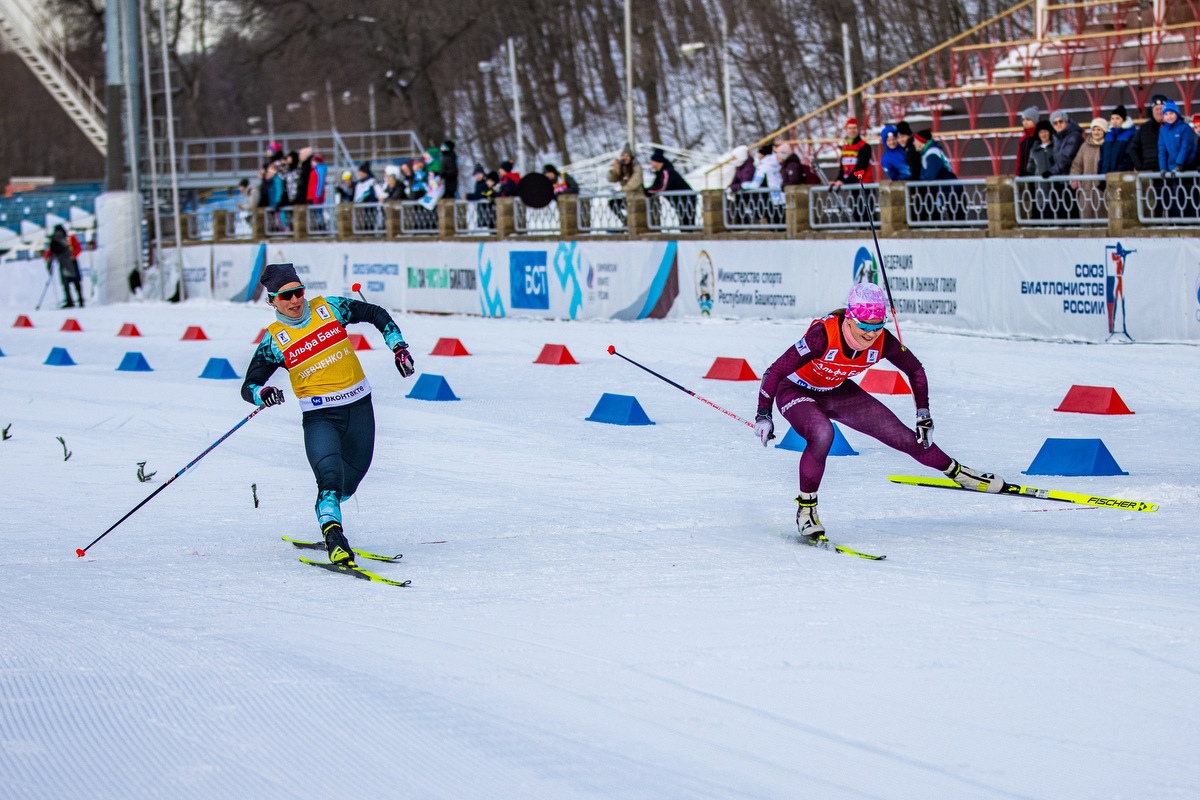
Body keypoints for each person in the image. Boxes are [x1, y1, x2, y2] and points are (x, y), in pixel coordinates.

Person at [753, 282, 1003, 543]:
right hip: (794, 390)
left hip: (836, 390)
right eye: (864, 326)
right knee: (822, 433)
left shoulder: (883, 340)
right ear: (849, 318)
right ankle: (807, 511)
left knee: (905, 438)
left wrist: (923, 413)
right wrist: (764, 415)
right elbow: (775, 371)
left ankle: (962, 475)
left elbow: (915, 370)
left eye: (877, 325)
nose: (871, 333)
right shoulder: (823, 335)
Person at [240, 263, 416, 565]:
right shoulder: (274, 340)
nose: (295, 301)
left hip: (360, 408)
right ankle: (334, 536)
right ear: (272, 301)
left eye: (298, 292)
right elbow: (250, 385)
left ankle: (329, 509)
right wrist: (263, 394)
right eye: (286, 297)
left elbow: (376, 313)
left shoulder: (329, 308)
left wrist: (398, 347)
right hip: (321, 418)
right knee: (330, 481)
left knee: (350, 482)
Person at [1070, 118, 1107, 219]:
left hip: (1103, 189)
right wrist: (1074, 178)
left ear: (1104, 131)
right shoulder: (1085, 147)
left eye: (1099, 129)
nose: (1096, 132)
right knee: (1086, 216)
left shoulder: (1108, 145)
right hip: (1086, 188)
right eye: (1094, 129)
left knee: (1103, 217)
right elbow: (1077, 165)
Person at [647, 148, 695, 224]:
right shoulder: (660, 172)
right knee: (684, 223)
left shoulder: (667, 171)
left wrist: (648, 191)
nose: (650, 163)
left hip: (686, 199)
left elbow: (663, 186)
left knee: (687, 223)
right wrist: (648, 190)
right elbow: (655, 185)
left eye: (652, 161)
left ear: (657, 161)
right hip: (679, 201)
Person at [46, 224, 84, 307]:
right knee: (75, 282)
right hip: (71, 262)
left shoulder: (66, 238)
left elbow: (51, 252)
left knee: (67, 283)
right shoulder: (67, 238)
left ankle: (72, 301)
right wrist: (73, 256)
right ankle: (78, 300)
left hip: (65, 263)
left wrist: (49, 262)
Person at [606, 146, 644, 224]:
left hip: (637, 197)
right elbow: (612, 179)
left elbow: (635, 182)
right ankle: (625, 222)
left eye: (627, 156)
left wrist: (622, 190)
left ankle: (628, 224)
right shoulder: (622, 167)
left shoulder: (636, 166)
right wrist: (614, 169)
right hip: (627, 197)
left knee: (633, 214)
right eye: (623, 155)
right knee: (613, 203)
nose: (625, 158)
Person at [1130, 95, 1166, 171]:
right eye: (1156, 109)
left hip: (1168, 171)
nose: (1159, 112)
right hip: (1148, 172)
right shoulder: (1144, 128)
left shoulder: (1173, 127)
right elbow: (1133, 149)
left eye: (1161, 109)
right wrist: (1139, 166)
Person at [1099, 105, 1136, 174]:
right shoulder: (1108, 135)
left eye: (1117, 118)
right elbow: (1102, 158)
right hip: (1105, 177)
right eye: (1112, 118)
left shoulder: (1130, 135)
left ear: (1123, 120)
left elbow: (1129, 158)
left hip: (1120, 177)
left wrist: (1118, 172)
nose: (1114, 121)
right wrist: (1100, 173)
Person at [1015, 106, 1040, 177]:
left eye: (1028, 120)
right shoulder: (1023, 139)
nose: (1025, 122)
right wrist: (1017, 173)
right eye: (1023, 120)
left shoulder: (1039, 137)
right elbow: (1019, 159)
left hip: (1037, 175)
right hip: (1023, 175)